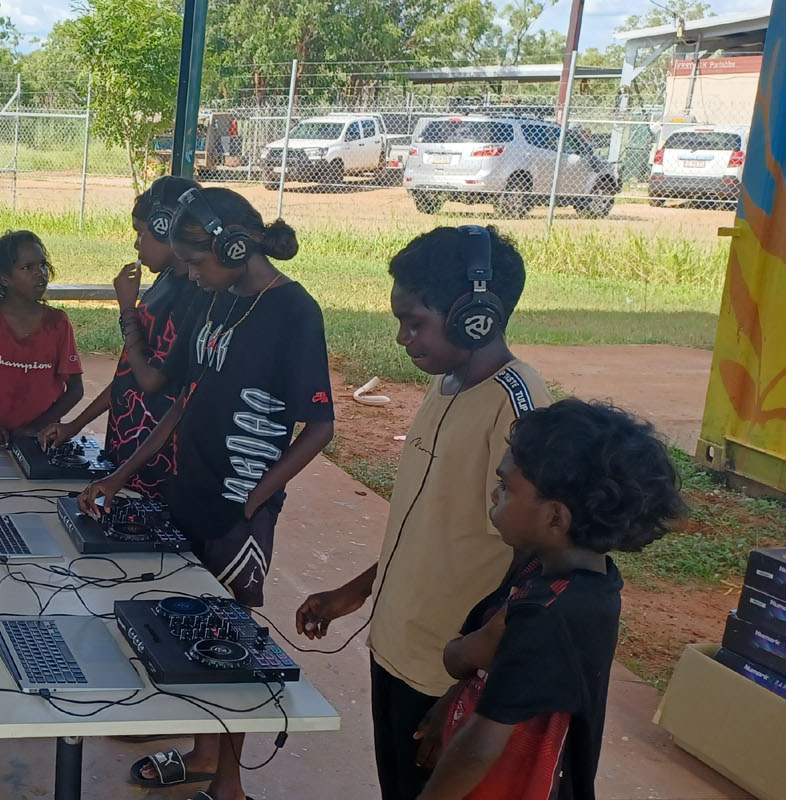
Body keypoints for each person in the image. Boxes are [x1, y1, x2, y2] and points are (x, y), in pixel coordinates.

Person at [80, 187, 332, 800]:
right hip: (188, 489)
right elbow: (181, 403)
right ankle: (201, 755)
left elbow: (320, 426)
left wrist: (255, 500)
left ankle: (229, 786)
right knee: (189, 631)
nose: (190, 272)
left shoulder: (293, 310)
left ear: (234, 247)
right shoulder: (217, 300)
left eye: (196, 261)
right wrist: (120, 475)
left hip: (238, 510)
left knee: (230, 647)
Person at [293, 226, 547, 800]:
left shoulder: (517, 409)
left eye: (414, 323)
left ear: (475, 318)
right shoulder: (445, 384)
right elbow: (429, 522)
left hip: (449, 670)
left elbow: (534, 576)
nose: (402, 338)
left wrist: (470, 690)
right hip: (399, 647)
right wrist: (355, 592)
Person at [415, 399, 684, 800]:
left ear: (556, 517)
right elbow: (469, 663)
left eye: (506, 487)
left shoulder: (546, 614)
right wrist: (461, 680)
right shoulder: (553, 574)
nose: (495, 496)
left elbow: (481, 747)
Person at [41, 176, 198, 501]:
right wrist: (75, 425)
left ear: (165, 227)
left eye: (141, 232)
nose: (137, 244)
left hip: (159, 461)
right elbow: (129, 374)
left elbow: (150, 379)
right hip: (126, 449)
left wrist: (127, 308)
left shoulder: (195, 294)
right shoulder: (166, 279)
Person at [0, 230, 84, 444]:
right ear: (4, 278)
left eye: (42, 264)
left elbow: (76, 389)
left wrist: (36, 428)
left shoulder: (58, 324)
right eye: (27, 267)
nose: (40, 273)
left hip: (39, 442)